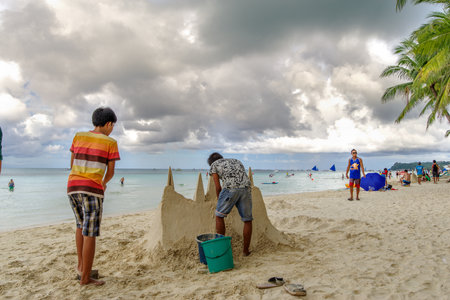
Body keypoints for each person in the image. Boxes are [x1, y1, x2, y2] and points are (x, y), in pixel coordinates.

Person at [67, 107, 120, 286]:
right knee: (90, 233)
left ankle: (81, 267)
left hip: (73, 187)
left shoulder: (78, 136)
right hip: (92, 189)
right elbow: (111, 172)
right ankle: (85, 278)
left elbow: (72, 163)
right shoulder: (110, 142)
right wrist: (103, 183)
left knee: (80, 226)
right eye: (112, 126)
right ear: (108, 124)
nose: (112, 129)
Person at [208, 152, 252, 256]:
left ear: (211, 163)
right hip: (246, 189)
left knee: (219, 216)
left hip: (230, 189)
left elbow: (218, 187)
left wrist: (219, 199)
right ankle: (246, 251)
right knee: (247, 220)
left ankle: (220, 249)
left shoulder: (214, 165)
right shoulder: (236, 161)